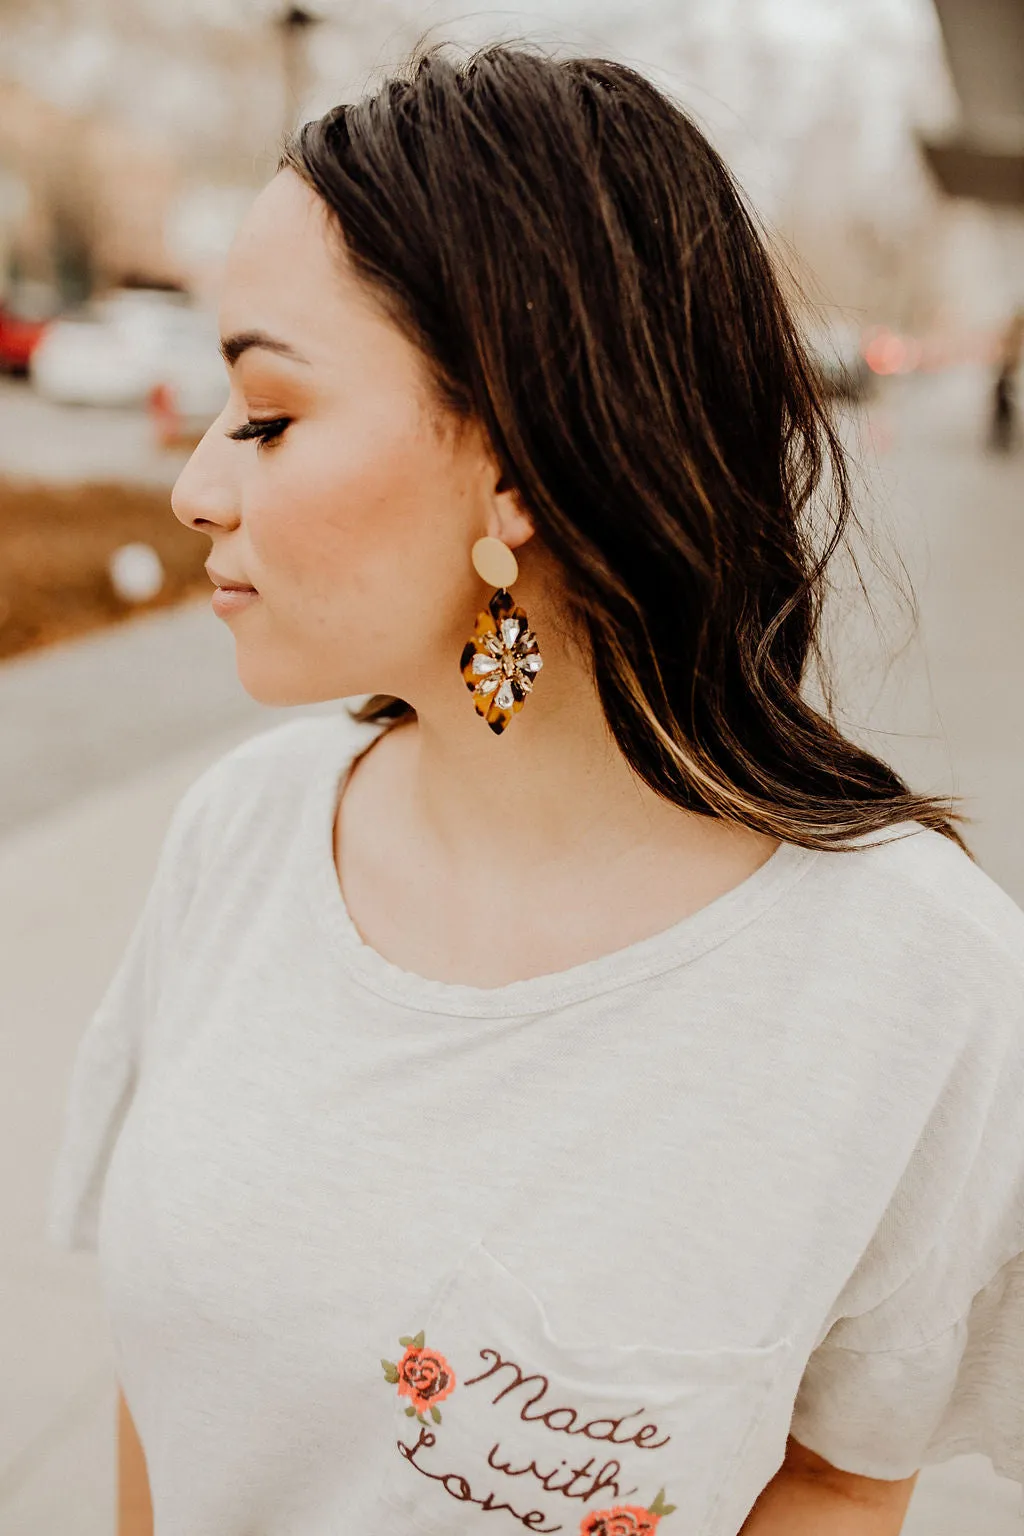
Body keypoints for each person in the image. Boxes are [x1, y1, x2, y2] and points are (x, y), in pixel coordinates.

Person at [47, 44, 1023, 1536]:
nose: (197, 488)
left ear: (515, 465)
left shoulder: (913, 981)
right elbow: (162, 1384)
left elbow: (837, 1470)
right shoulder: (241, 833)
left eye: (266, 416)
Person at [990, 308, 1024, 452]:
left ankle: (1002, 439)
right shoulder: (1012, 339)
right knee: (1004, 413)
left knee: (1004, 413)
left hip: (1006, 381)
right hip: (1005, 381)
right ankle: (1002, 439)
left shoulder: (1013, 338)